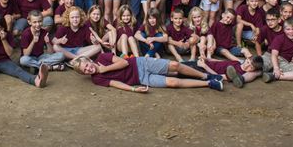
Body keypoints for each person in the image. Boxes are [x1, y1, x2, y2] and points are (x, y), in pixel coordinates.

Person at [70, 52, 224, 92]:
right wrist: (133, 88)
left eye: (87, 66)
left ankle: (207, 74)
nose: (89, 69)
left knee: (175, 65)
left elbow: (123, 62)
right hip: (142, 79)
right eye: (85, 71)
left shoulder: (102, 58)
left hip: (141, 63)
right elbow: (114, 83)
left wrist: (105, 68)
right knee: (173, 83)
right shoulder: (96, 79)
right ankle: (208, 83)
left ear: (89, 61)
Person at [197, 55, 263, 88]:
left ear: (253, 70)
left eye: (250, 67)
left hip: (204, 70)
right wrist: (207, 59)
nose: (246, 66)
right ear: (246, 59)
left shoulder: (235, 73)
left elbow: (218, 76)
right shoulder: (237, 62)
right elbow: (220, 62)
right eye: (247, 62)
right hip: (205, 64)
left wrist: (204, 66)